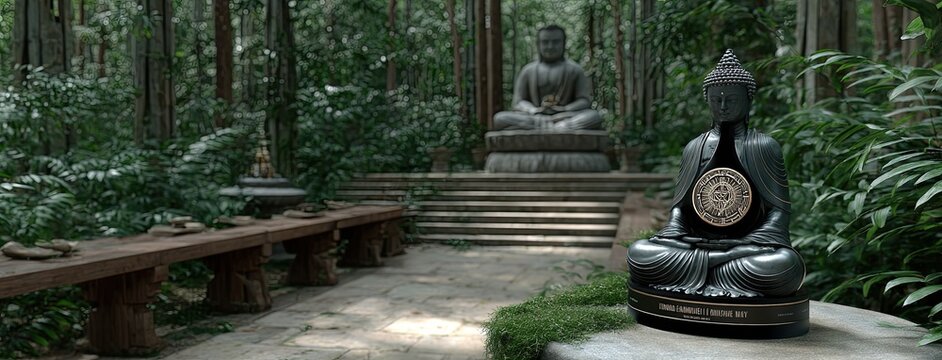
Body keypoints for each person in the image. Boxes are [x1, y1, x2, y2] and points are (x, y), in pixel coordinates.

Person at [627, 50, 804, 298]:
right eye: (715, 100)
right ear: (707, 101)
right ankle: (716, 264)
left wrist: (745, 244)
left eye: (731, 100)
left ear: (748, 100)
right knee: (639, 252)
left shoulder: (763, 146)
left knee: (783, 265)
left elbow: (779, 212)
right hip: (697, 244)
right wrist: (679, 235)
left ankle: (709, 267)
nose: (722, 106)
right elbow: (679, 209)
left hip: (748, 248)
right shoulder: (694, 147)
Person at [493, 25, 601, 131]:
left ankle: (555, 126)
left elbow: (584, 101)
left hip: (565, 116)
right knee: (500, 118)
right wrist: (534, 110)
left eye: (555, 42)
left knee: (594, 116)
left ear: (563, 43)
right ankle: (557, 128)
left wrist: (564, 109)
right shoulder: (528, 70)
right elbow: (518, 102)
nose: (550, 46)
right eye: (545, 42)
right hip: (535, 117)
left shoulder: (575, 70)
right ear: (538, 44)